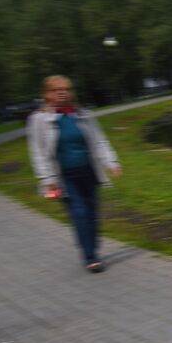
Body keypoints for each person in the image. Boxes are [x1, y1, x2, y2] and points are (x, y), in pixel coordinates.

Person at [27, 75, 122, 272]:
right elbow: (38, 152)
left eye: (66, 89)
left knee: (92, 214)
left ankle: (91, 247)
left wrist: (111, 162)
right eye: (55, 90)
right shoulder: (39, 120)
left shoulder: (82, 114)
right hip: (63, 177)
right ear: (46, 94)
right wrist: (47, 178)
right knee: (79, 213)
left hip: (88, 172)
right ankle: (90, 257)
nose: (62, 92)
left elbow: (99, 141)